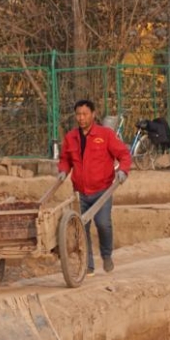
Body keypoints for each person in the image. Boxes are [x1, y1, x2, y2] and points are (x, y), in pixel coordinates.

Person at [57, 99, 132, 275]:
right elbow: (65, 160)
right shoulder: (71, 138)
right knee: (82, 229)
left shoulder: (105, 135)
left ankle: (106, 255)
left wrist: (123, 171)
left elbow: (123, 155)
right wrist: (62, 171)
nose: (81, 118)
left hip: (102, 190)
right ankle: (88, 265)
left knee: (103, 224)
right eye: (78, 114)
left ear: (93, 114)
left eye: (85, 114)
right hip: (80, 193)